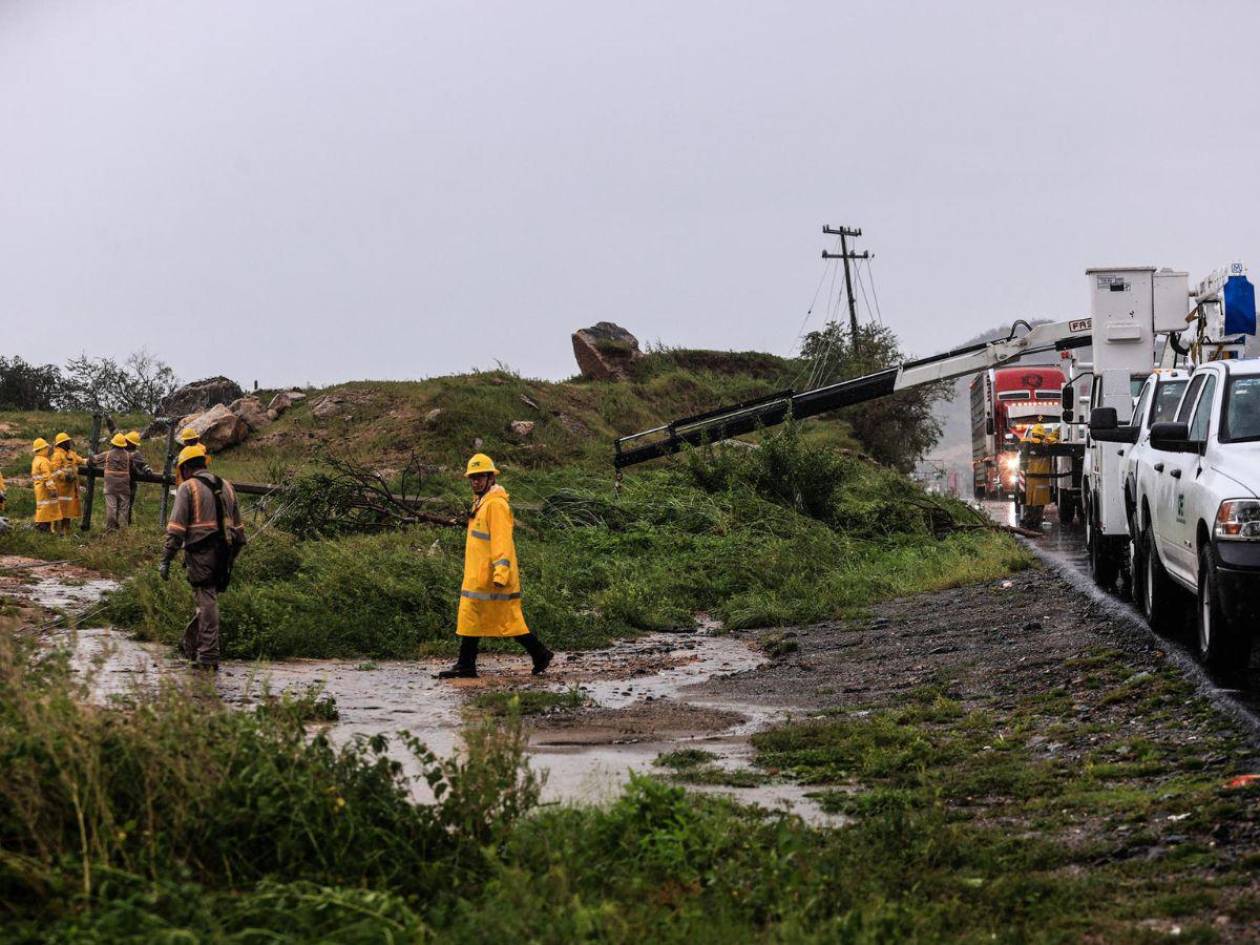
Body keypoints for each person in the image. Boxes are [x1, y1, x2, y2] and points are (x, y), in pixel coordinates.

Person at [437, 453, 552, 679]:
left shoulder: (496, 505)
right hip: (478, 576)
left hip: (492, 577)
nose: (476, 481)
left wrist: (501, 572)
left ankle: (540, 653)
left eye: (480, 477)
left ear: (491, 478)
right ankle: (466, 665)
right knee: (471, 618)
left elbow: (502, 542)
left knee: (509, 621)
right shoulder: (481, 502)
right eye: (473, 477)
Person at [159, 444, 246, 671]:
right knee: (209, 598)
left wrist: (166, 559)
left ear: (186, 468)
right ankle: (200, 644)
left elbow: (176, 529)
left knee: (206, 599)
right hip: (225, 551)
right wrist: (232, 557)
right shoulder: (226, 485)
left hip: (201, 553)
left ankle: (208, 655)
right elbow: (238, 529)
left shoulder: (188, 488)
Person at [91, 433, 135, 530]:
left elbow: (93, 460)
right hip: (124, 485)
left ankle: (111, 528)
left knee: (112, 507)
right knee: (124, 507)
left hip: (110, 486)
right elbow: (133, 469)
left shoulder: (107, 454)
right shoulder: (129, 456)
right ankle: (123, 529)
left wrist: (87, 456)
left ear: (113, 443)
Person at [50, 433, 84, 535]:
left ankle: (66, 531)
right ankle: (57, 531)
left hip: (70, 490)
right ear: (63, 443)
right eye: (67, 442)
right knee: (59, 512)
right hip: (61, 489)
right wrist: (66, 476)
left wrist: (92, 460)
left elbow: (81, 460)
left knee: (68, 511)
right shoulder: (57, 455)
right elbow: (55, 471)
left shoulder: (71, 454)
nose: (69, 443)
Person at [30, 438, 61, 532]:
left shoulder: (36, 459)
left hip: (39, 488)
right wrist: (53, 489)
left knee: (42, 508)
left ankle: (42, 526)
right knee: (46, 509)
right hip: (45, 489)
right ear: (42, 449)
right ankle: (44, 528)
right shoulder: (43, 461)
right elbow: (47, 477)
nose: (48, 450)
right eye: (46, 448)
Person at [124, 431, 152, 524]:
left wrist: (147, 470)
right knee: (126, 505)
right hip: (126, 482)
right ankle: (125, 523)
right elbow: (144, 465)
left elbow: (143, 465)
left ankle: (124, 523)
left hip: (128, 483)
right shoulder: (125, 452)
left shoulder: (135, 454)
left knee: (125, 505)